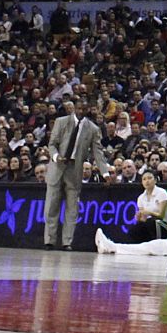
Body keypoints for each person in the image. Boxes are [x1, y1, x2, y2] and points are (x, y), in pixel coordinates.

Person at [44, 100, 107, 250]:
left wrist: (105, 172)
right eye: (78, 108)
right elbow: (52, 144)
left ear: (88, 110)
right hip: (57, 167)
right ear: (73, 108)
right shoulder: (61, 122)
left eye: (84, 108)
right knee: (51, 206)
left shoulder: (93, 129)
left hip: (75, 169)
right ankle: (49, 241)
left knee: (72, 209)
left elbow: (98, 152)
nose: (80, 110)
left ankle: (67, 242)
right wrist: (55, 156)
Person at [95, 171, 167, 256]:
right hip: (149, 224)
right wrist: (139, 217)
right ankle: (113, 247)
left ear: (155, 180)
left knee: (151, 223)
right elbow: (143, 219)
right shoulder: (141, 198)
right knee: (134, 230)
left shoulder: (162, 193)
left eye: (150, 178)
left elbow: (161, 215)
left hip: (164, 225)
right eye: (144, 179)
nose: (147, 181)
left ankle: (112, 246)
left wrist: (148, 212)